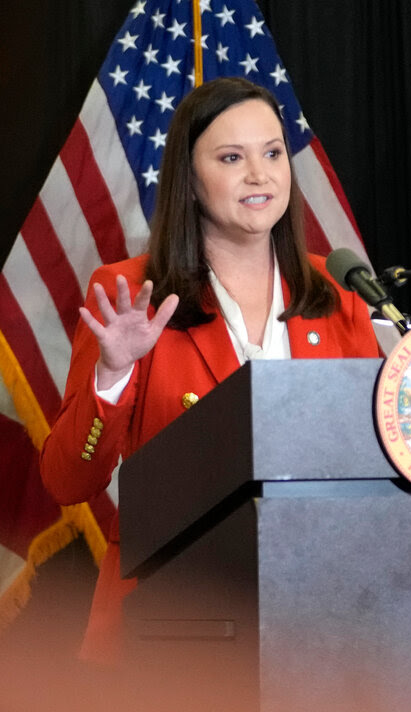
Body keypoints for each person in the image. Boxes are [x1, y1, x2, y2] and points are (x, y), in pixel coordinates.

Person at [39, 77, 380, 664]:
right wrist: (114, 373)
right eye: (231, 157)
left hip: (324, 622)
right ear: (190, 182)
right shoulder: (130, 294)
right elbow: (69, 481)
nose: (260, 175)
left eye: (273, 153)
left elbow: (371, 466)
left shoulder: (339, 292)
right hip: (173, 622)